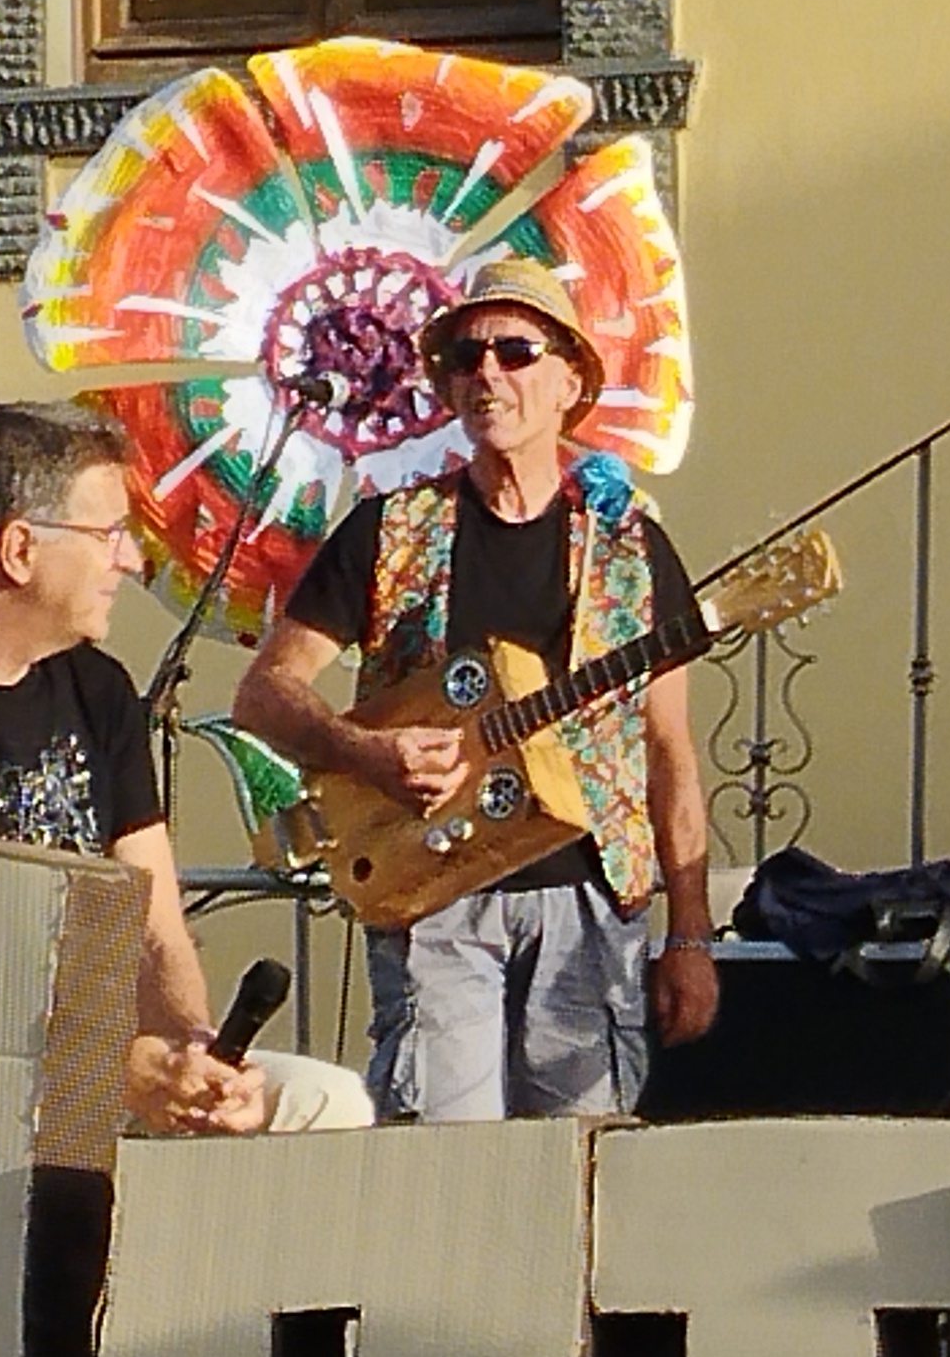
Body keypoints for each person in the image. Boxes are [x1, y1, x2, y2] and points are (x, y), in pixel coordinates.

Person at [0, 404, 366, 1135]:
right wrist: (111, 1069)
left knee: (327, 1102)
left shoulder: (99, 690)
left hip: (109, 1071)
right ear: (19, 548)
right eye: (109, 534)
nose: (130, 560)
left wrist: (191, 1051)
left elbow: (157, 927)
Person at [231, 258, 720, 1120]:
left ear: (570, 381)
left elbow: (667, 749)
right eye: (466, 356)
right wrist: (364, 753)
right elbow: (265, 692)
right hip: (433, 895)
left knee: (579, 1165)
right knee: (445, 1166)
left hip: (587, 897)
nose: (487, 372)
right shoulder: (389, 531)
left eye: (516, 351)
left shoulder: (631, 548)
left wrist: (689, 934)